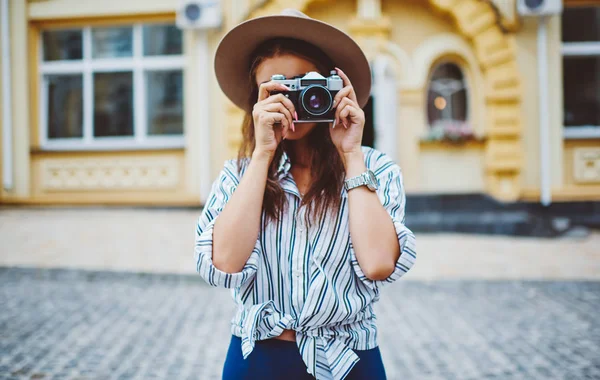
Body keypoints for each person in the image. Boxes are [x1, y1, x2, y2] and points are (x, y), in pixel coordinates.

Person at [194, 8, 416, 380]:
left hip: (350, 357)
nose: (292, 99)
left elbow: (379, 264)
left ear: (330, 88)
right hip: (259, 358)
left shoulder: (375, 169)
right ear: (257, 101)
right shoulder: (239, 175)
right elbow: (226, 263)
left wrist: (351, 154)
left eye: (303, 84)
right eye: (277, 88)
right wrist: (262, 154)